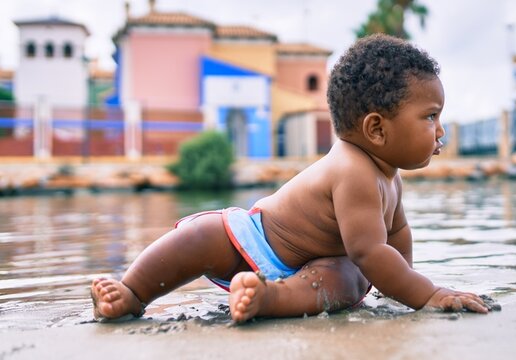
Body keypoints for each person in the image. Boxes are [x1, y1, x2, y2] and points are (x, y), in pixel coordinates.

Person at [91, 34, 490, 323]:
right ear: (377, 130)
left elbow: (396, 236)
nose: (440, 130)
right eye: (430, 116)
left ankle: (269, 298)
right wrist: (428, 295)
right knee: (199, 236)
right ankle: (133, 291)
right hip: (251, 242)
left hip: (312, 266)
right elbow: (370, 249)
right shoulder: (354, 171)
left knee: (348, 279)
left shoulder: (389, 177)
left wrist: (402, 284)